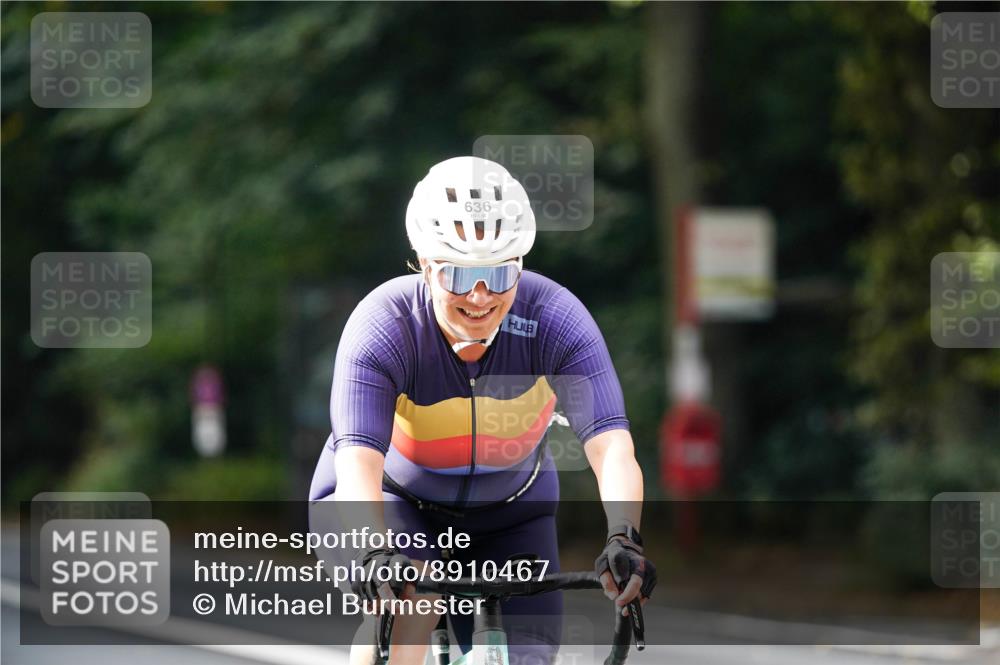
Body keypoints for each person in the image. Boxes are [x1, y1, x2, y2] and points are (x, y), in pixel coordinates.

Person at [309, 156, 655, 665]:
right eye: (458, 274)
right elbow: (359, 461)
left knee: (528, 659)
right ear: (425, 265)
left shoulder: (554, 318)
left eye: (498, 273)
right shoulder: (385, 325)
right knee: (408, 610)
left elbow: (611, 447)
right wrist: (372, 550)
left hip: (514, 516)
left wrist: (624, 536)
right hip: (394, 503)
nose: (480, 294)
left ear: (519, 265)